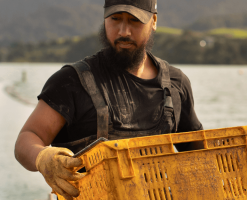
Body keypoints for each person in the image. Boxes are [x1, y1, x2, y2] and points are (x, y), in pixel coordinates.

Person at [14, 0, 203, 199]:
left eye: (134, 21)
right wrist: (43, 158)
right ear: (105, 19)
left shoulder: (175, 84)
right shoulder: (71, 81)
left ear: (153, 21)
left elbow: (197, 152)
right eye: (115, 19)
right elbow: (28, 137)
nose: (124, 31)